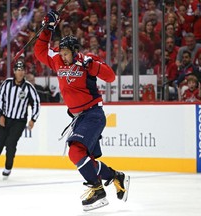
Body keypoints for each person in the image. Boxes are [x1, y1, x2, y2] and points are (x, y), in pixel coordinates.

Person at [34, 10, 129, 211]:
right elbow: (40, 52)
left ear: (74, 51)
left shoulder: (87, 60)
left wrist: (92, 65)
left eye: (66, 53)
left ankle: (97, 190)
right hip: (79, 118)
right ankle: (116, 176)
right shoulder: (57, 60)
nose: (63, 56)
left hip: (93, 114)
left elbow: (110, 77)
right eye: (61, 52)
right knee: (86, 159)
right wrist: (47, 29)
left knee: (75, 151)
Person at [0, 60, 40, 178]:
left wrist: (33, 119)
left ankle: (8, 167)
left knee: (11, 143)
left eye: (22, 70)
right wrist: (1, 115)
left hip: (19, 121)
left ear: (24, 72)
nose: (20, 72)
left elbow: (36, 103)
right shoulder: (7, 83)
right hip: (6, 119)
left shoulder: (29, 88)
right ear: (14, 72)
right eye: (18, 70)